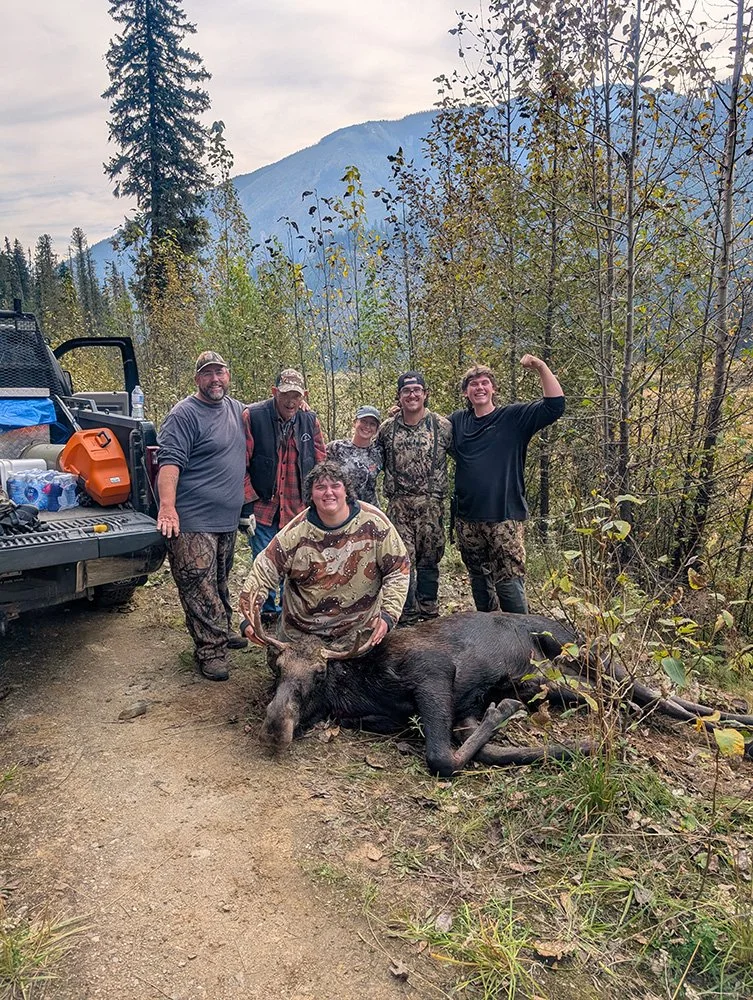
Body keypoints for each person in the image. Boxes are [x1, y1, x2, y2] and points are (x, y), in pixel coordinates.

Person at [238, 460, 410, 648]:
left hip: (358, 634)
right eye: (320, 487)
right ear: (311, 495)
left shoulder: (375, 523)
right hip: (302, 637)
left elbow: (398, 571)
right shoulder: (294, 533)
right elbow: (262, 573)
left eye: (335, 486)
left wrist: (388, 616)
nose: (329, 492)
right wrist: (246, 618)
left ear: (346, 490)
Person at [156, 350, 248, 682]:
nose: (215, 379)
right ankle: (210, 651)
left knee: (220, 581)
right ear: (197, 379)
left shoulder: (237, 410)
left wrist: (301, 406)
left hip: (226, 517)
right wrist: (167, 507)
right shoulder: (184, 414)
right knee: (198, 585)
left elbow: (269, 414)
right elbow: (168, 464)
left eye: (219, 372)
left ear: (228, 375)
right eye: (207, 374)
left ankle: (221, 631)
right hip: (193, 519)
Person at [450, 355, 565, 614]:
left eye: (484, 383)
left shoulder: (513, 418)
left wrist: (541, 367)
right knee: (479, 579)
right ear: (465, 392)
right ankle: (488, 633)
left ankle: (521, 639)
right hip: (467, 519)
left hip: (504, 516)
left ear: (493, 389)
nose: (479, 388)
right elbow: (429, 430)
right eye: (473, 384)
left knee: (509, 579)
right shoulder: (458, 421)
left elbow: (555, 406)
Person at [242, 368, 326, 624]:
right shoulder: (253, 416)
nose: (291, 401)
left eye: (296, 396)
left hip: (297, 507)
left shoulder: (310, 421)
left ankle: (292, 611)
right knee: (264, 560)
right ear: (275, 392)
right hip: (263, 508)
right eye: (286, 394)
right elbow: (240, 464)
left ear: (304, 396)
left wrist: (321, 504)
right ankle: (267, 611)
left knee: (298, 562)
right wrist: (245, 507)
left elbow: (321, 463)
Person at [377, 372, 452, 625]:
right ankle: (406, 614)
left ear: (425, 394)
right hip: (399, 505)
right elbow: (372, 458)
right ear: (399, 397)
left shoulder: (442, 426)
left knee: (430, 559)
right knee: (402, 560)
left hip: (431, 505)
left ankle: (429, 613)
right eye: (406, 391)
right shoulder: (387, 429)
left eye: (417, 390)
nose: (412, 395)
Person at [325, 404, 383, 506]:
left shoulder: (379, 452)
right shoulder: (336, 448)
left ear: (377, 429)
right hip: (342, 509)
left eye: (372, 424)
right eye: (363, 421)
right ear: (355, 422)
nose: (367, 427)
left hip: (369, 511)